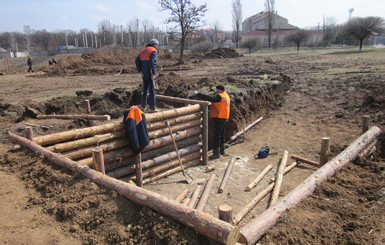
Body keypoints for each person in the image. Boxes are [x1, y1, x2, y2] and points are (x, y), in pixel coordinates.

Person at [193, 85, 231, 160]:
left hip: (220, 117)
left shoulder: (220, 97)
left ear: (220, 90)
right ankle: (222, 151)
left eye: (217, 90)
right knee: (221, 135)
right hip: (224, 117)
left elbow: (211, 98)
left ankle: (216, 153)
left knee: (217, 136)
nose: (216, 91)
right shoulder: (225, 95)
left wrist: (198, 94)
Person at [135, 38, 159, 112]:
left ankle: (143, 106)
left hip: (144, 73)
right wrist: (153, 73)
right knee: (152, 90)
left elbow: (137, 60)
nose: (157, 47)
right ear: (155, 45)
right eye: (157, 45)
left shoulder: (143, 50)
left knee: (145, 89)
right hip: (150, 72)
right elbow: (152, 62)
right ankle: (152, 107)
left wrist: (140, 71)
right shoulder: (153, 51)